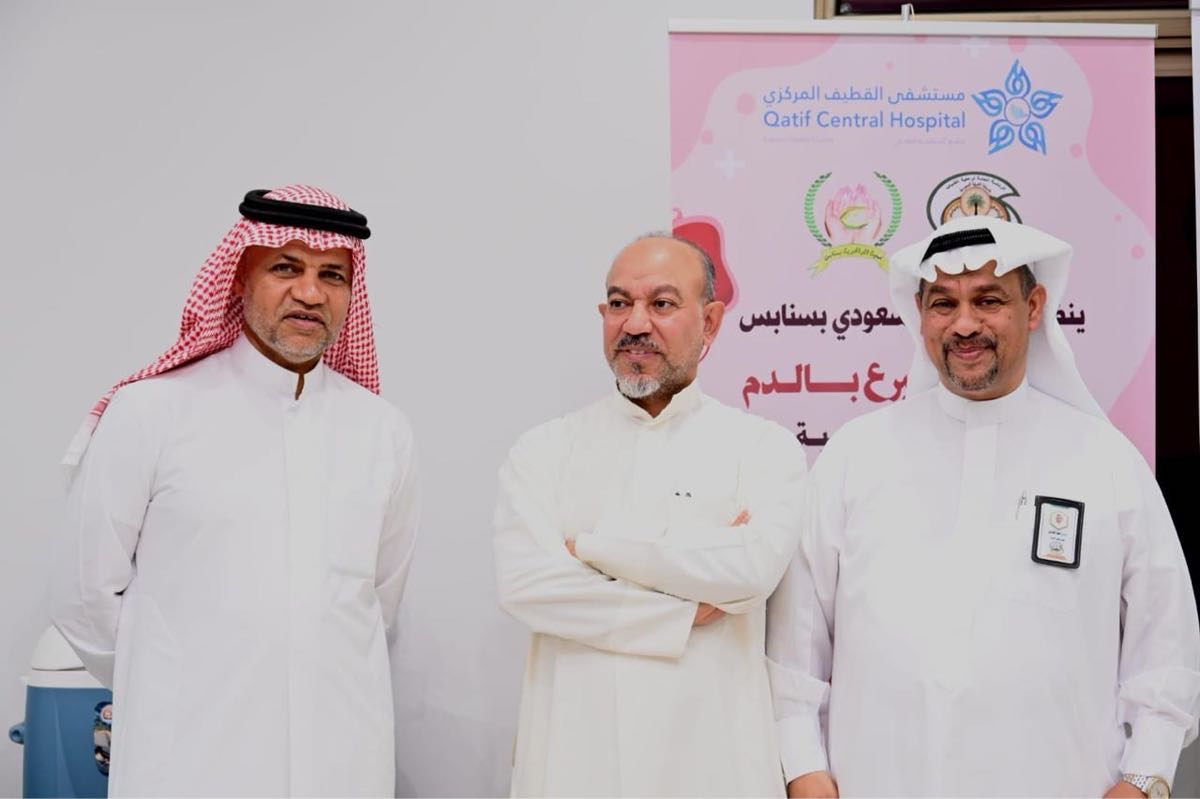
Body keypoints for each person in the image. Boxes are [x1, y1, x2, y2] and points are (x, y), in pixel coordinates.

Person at [767, 216, 1200, 798]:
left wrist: (1144, 779)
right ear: (919, 314)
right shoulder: (855, 455)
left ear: (1034, 307)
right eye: (943, 303)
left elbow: (1165, 640)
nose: (964, 324)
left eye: (988, 300)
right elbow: (797, 638)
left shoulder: (1106, 460)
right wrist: (802, 767)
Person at [52, 185, 420, 797]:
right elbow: (83, 597)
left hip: (340, 755)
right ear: (241, 277)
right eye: (286, 268)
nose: (310, 293)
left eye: (332, 275)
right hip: (190, 755)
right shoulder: (152, 412)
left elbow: (378, 603)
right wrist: (173, 676)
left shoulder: (384, 432)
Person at [494, 233, 807, 797]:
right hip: (577, 763)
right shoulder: (544, 450)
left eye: (662, 304)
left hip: (714, 765)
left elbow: (749, 570)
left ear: (710, 322)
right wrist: (685, 610)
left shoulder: (763, 448)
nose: (635, 323)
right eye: (620, 303)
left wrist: (591, 551)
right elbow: (527, 586)